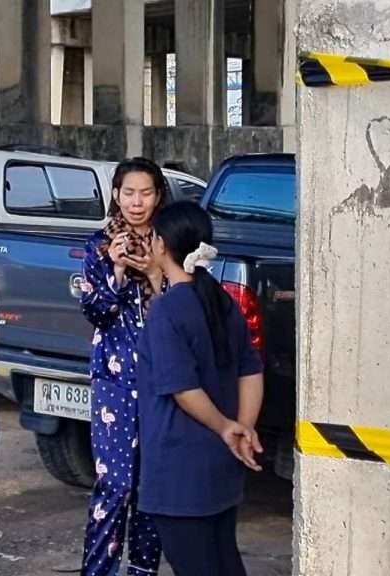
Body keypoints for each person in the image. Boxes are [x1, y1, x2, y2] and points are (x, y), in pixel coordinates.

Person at [136, 201, 265, 576]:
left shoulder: (166, 311)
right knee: (224, 561)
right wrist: (242, 427)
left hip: (179, 471)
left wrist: (226, 427)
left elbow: (182, 388)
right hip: (221, 467)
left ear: (161, 245)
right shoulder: (222, 301)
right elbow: (251, 369)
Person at [79, 157, 167, 576]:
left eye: (145, 193)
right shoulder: (99, 245)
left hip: (163, 379)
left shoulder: (167, 244)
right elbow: (95, 312)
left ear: (158, 196)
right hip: (114, 379)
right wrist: (116, 270)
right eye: (129, 193)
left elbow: (180, 308)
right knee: (115, 484)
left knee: (152, 485)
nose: (136, 202)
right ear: (116, 195)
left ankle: (142, 571)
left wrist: (154, 272)